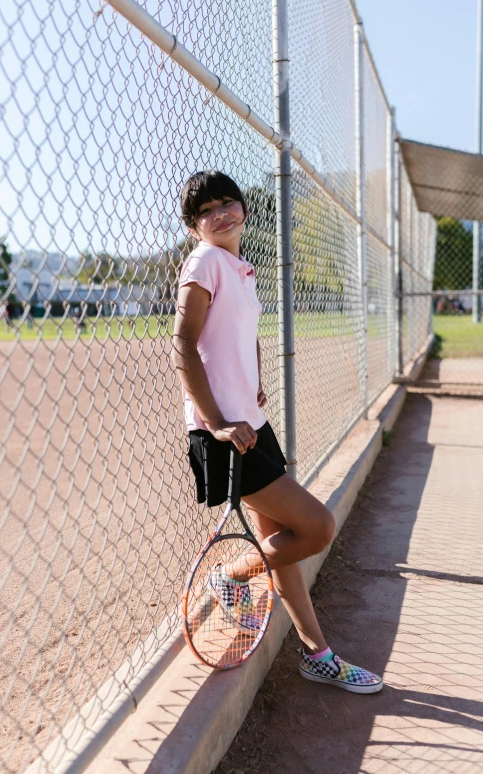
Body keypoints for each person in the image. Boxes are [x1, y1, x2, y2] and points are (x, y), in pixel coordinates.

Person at [172, 170, 382, 693]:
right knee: (316, 528)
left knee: (281, 542)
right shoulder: (204, 261)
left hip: (252, 424)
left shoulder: (238, 268)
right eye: (205, 211)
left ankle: (319, 655)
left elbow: (244, 337)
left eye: (227, 203)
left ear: (244, 207)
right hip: (226, 435)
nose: (219, 214)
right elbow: (182, 345)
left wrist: (256, 384)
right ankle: (233, 577)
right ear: (195, 227)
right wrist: (217, 422)